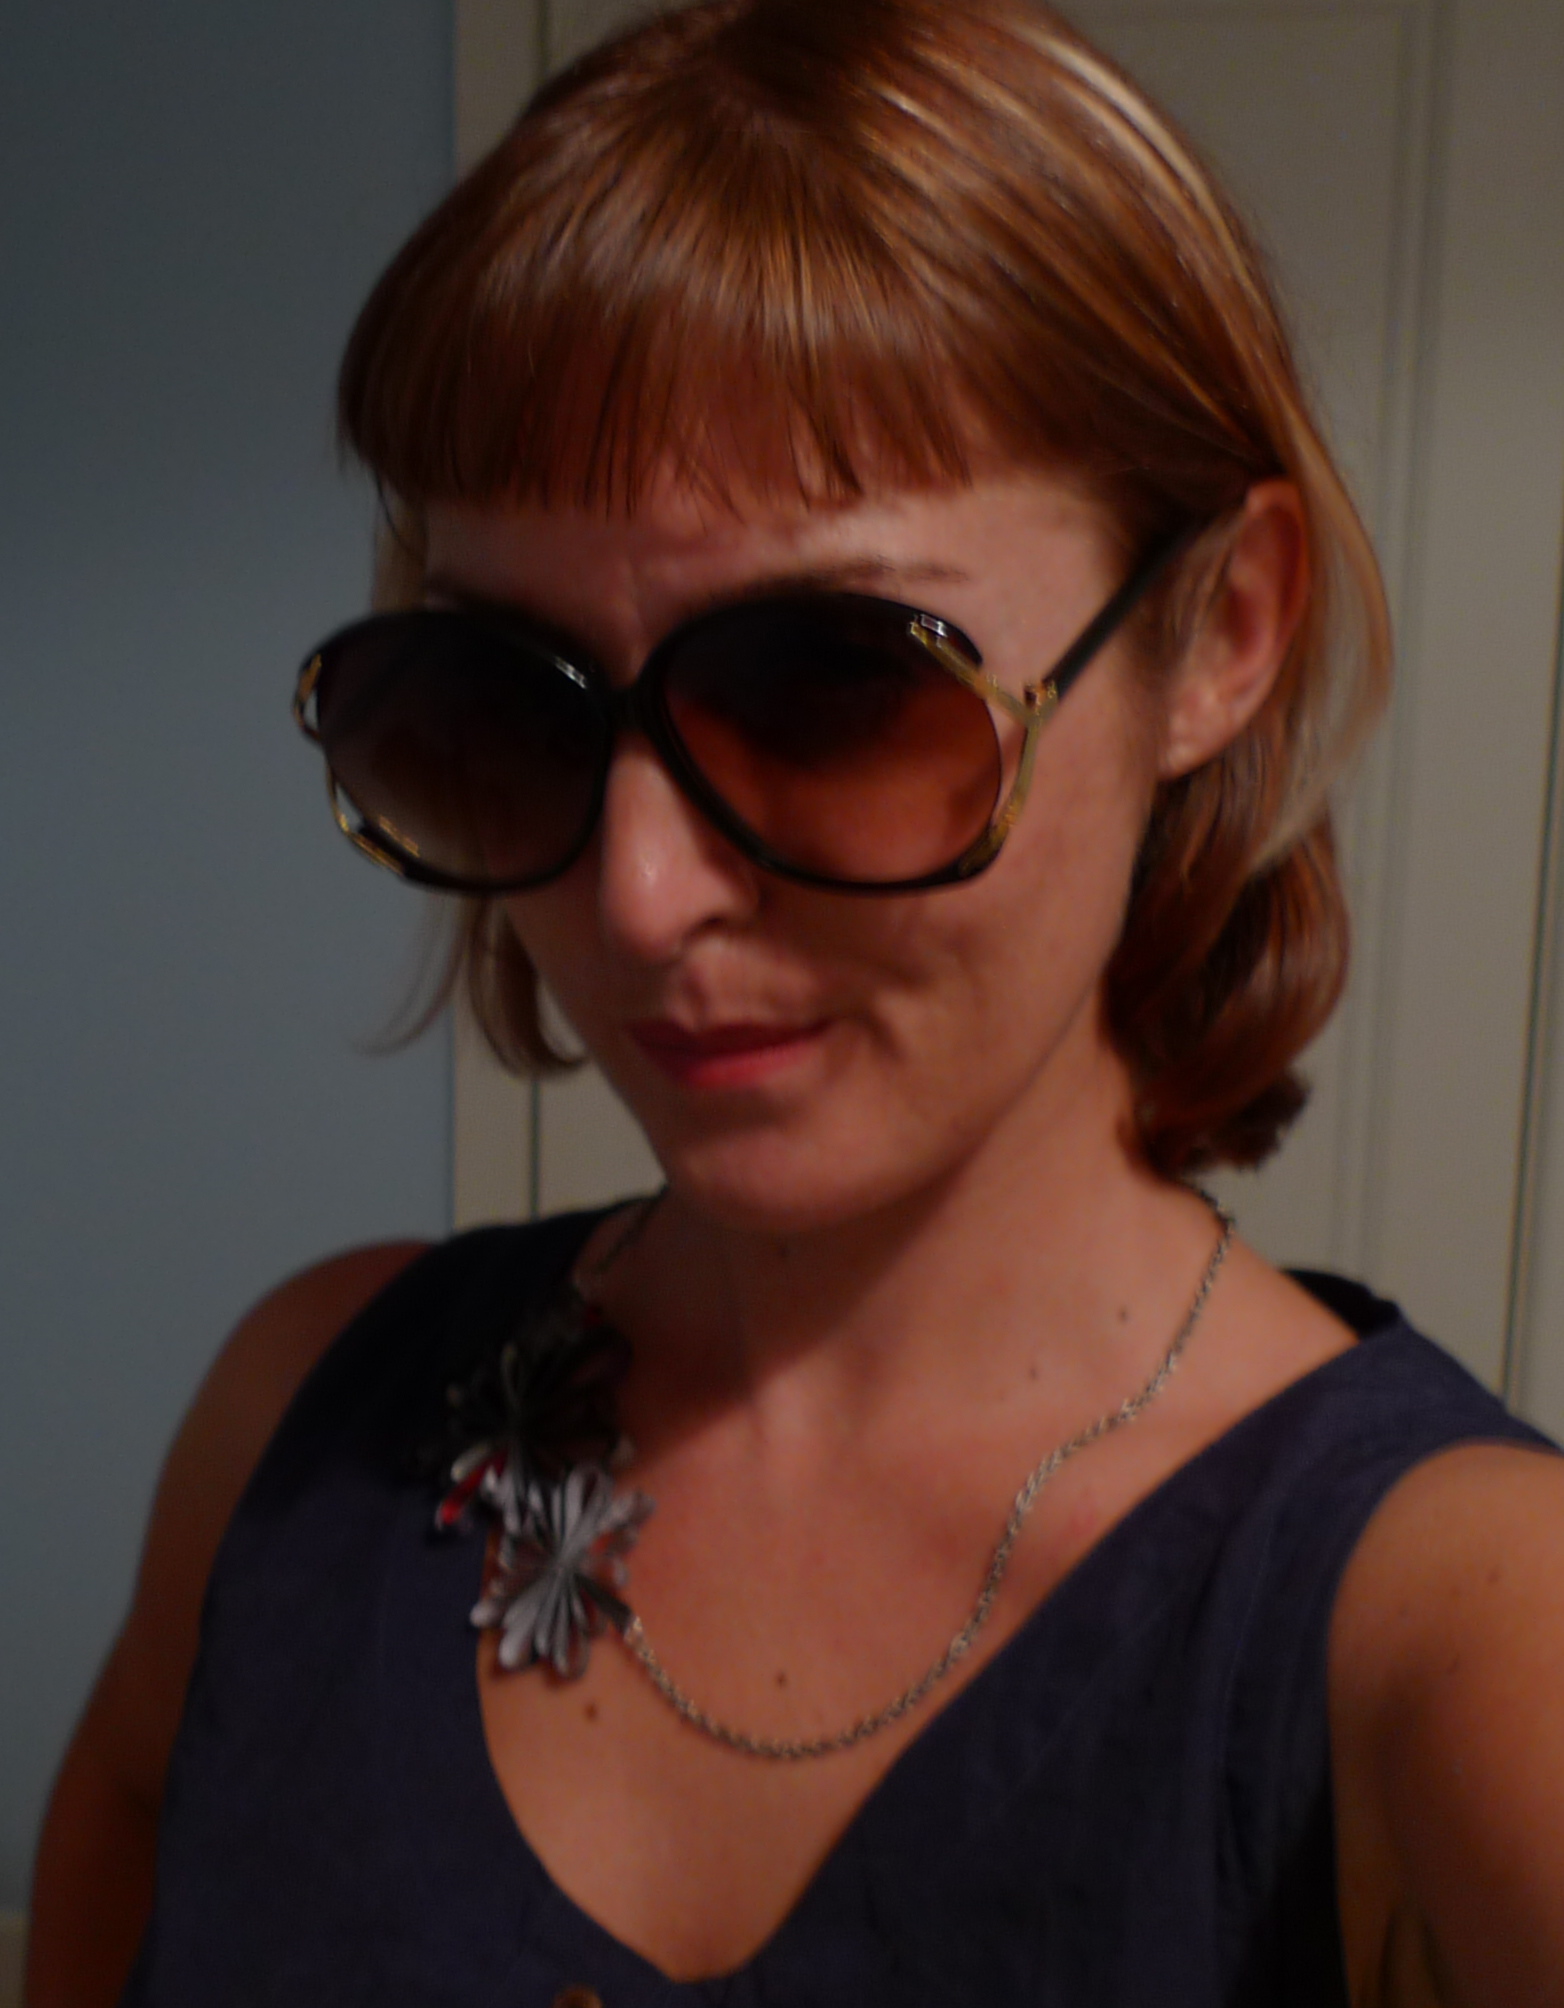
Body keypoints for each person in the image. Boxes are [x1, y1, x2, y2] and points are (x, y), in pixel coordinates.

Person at [26, 0, 1564, 2001]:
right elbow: (117, 1851)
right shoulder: (301, 1424)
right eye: (507, 701)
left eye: (835, 691)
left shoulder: (1456, 1630)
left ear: (1220, 630)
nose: (636, 895)